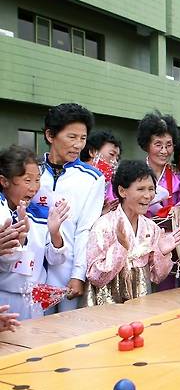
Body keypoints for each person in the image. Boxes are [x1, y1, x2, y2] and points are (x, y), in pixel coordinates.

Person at [32, 103, 105, 311]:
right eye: (71, 137)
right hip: (31, 273)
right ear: (50, 135)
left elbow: (85, 230)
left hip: (67, 274)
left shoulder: (92, 179)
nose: (78, 145)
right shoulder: (30, 173)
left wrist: (78, 275)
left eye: (82, 138)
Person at [85, 161, 180, 305]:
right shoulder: (104, 225)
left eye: (151, 189)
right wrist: (121, 248)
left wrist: (161, 252)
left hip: (141, 299)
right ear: (122, 191)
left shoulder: (151, 228)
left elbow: (157, 277)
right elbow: (96, 277)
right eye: (141, 189)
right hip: (109, 302)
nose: (148, 195)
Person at [0, 145, 69, 319]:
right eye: (27, 180)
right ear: (4, 181)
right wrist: (20, 240)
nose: (34, 187)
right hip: (6, 298)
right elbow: (5, 263)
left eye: (37, 180)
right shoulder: (2, 213)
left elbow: (55, 259)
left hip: (33, 299)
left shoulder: (39, 213)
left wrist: (55, 234)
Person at [138, 111, 180, 289]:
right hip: (139, 243)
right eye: (158, 144)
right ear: (146, 145)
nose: (164, 151)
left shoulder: (178, 176)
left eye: (169, 145)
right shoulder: (133, 172)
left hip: (169, 244)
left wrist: (179, 207)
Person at [80, 130, 122, 215]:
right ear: (92, 152)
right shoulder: (77, 177)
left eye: (117, 158)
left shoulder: (112, 184)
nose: (114, 162)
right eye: (111, 154)